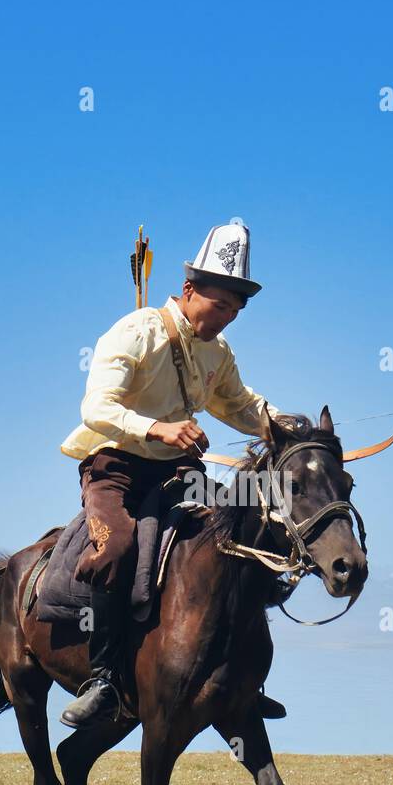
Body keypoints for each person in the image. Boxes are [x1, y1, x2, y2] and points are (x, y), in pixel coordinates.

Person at [59, 223, 285, 726]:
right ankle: (103, 679)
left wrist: (281, 424)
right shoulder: (136, 332)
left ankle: (245, 675)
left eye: (235, 310)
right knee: (115, 547)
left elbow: (240, 405)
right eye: (220, 305)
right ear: (188, 290)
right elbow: (96, 406)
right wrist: (157, 428)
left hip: (179, 473)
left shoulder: (217, 352)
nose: (226, 318)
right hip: (113, 468)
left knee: (252, 528)